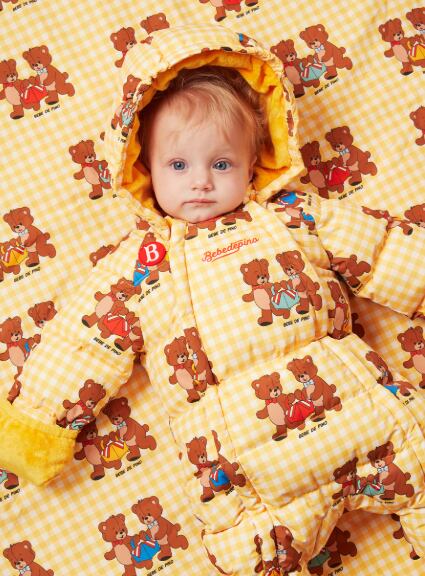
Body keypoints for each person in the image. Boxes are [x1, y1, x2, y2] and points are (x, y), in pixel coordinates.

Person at [1, 23, 424, 574]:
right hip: (247, 480)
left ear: (253, 164)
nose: (200, 181)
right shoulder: (139, 267)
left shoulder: (292, 217)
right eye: (178, 165)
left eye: (221, 164)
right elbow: (83, 344)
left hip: (367, 420)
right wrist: (35, 424)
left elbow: (383, 250)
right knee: (252, 557)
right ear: (143, 170)